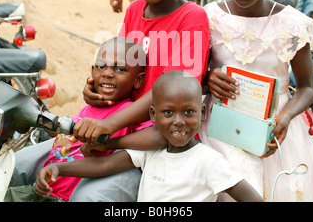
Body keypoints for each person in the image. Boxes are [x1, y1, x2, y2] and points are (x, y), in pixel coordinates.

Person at [70, 0, 210, 202]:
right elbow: (121, 67)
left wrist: (109, 127)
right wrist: (97, 91)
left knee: (87, 197)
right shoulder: (134, 10)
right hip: (122, 124)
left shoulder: (192, 17)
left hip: (157, 137)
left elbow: (172, 91)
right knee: (27, 164)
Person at [198, 0, 313, 201]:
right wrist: (208, 77)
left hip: (276, 129)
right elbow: (190, 75)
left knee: (282, 191)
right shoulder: (209, 17)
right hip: (219, 125)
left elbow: (306, 87)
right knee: (229, 188)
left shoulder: (292, 24)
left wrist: (285, 117)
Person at [36, 71, 264, 202]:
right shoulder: (150, 153)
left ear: (202, 113)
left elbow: (251, 198)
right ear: (153, 115)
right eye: (168, 112)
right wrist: (58, 169)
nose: (178, 121)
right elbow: (104, 165)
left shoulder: (208, 161)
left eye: (188, 112)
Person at [4, 37, 146, 202]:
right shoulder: (90, 107)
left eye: (120, 69)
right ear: (93, 70)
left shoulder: (125, 115)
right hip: (42, 189)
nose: (107, 73)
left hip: (65, 197)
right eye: (101, 66)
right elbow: (66, 137)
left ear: (138, 80)